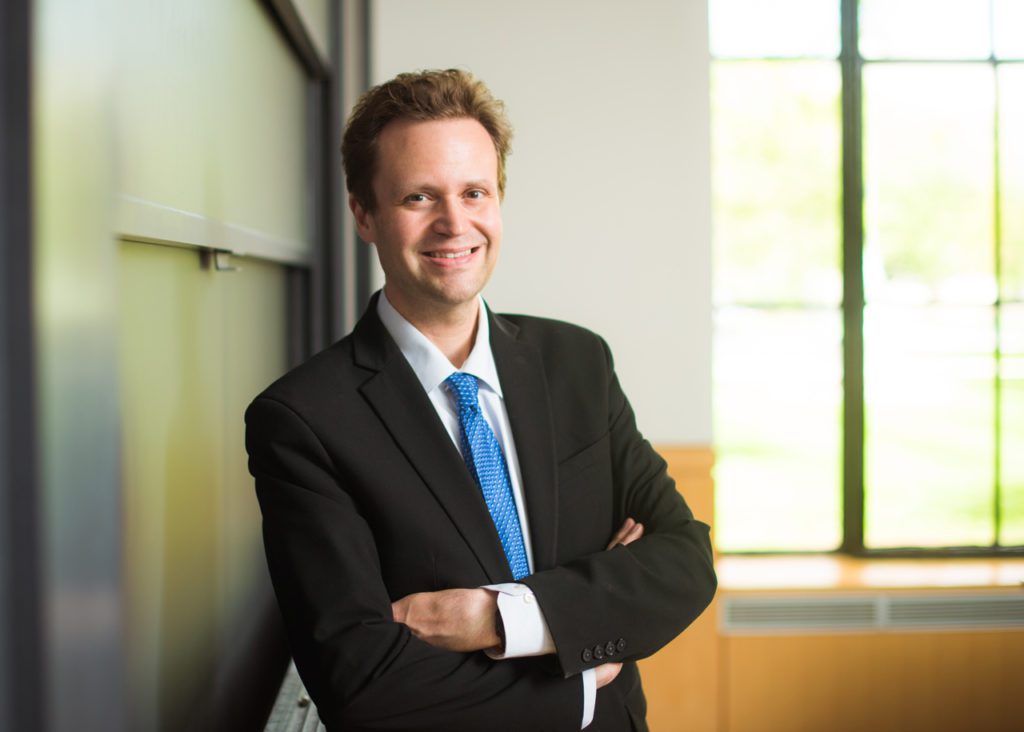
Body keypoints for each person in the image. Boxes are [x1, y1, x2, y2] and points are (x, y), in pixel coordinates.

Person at [245, 68, 716, 731]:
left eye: (475, 192)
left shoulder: (578, 363)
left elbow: (684, 566)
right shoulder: (305, 421)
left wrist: (496, 619)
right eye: (419, 197)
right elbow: (361, 681)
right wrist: (583, 659)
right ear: (364, 213)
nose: (454, 223)